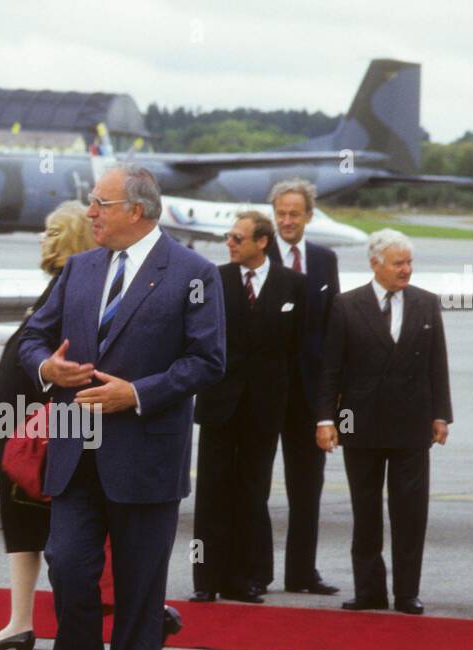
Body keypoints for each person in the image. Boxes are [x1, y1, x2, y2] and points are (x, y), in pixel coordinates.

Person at [18, 164, 225, 650]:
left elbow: (207, 362)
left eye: (99, 203)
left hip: (147, 457)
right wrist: (46, 368)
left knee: (138, 588)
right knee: (68, 566)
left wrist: (135, 393)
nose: (90, 212)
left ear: (136, 210)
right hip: (75, 454)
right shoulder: (81, 269)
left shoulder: (194, 273)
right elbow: (33, 336)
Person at [0, 201, 94, 650]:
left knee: (42, 520)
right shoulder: (66, 285)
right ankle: (21, 620)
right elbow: (33, 337)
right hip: (27, 421)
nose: (41, 238)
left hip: (36, 425)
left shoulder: (72, 285)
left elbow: (55, 348)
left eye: (49, 230)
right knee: (27, 520)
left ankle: (40, 622)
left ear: (67, 237)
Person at [317, 229, 452, 616]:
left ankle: (407, 592)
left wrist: (441, 414)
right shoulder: (346, 305)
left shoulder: (426, 303)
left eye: (409, 262)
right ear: (375, 264)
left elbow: (436, 364)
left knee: (410, 512)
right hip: (361, 424)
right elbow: (331, 370)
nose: (406, 269)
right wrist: (327, 419)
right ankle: (369, 590)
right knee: (366, 511)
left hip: (412, 425)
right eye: (398, 263)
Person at [191, 211, 304, 602]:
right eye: (229, 237)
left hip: (265, 406)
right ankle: (205, 579)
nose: (230, 243)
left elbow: (301, 351)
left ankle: (244, 577)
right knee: (211, 490)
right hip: (219, 403)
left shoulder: (294, 286)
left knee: (252, 491)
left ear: (262, 242)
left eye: (238, 238)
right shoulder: (214, 280)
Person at [267, 179, 342, 596]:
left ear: (309, 216)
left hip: (310, 394)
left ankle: (302, 573)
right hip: (266, 391)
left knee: (307, 488)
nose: (288, 220)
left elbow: (334, 326)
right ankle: (251, 572)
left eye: (295, 213)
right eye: (281, 213)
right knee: (253, 486)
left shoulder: (324, 260)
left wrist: (333, 395)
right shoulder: (260, 255)